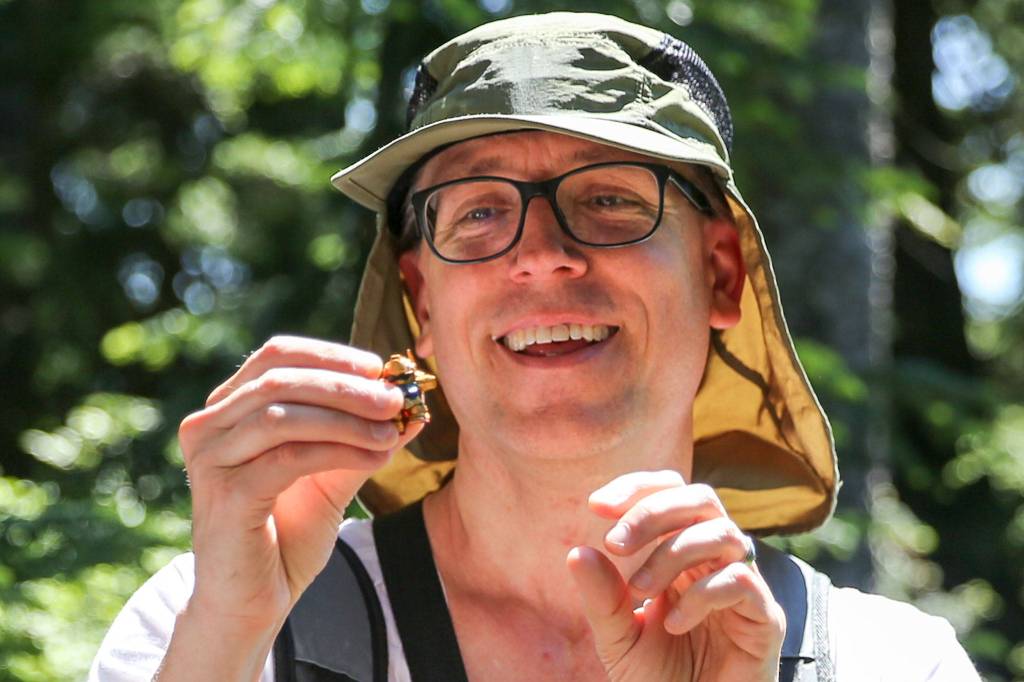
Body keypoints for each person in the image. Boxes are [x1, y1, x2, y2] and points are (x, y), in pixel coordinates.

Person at [89, 12, 979, 682]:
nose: (543, 255)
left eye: (611, 200)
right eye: (478, 211)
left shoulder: (889, 660)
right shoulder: (216, 624)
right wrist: (227, 637)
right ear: (418, 299)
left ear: (719, 273)